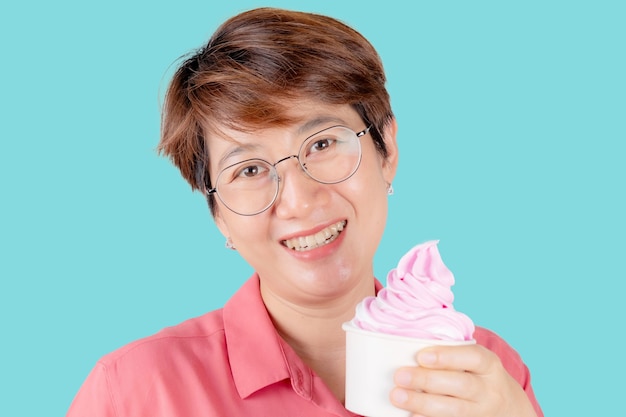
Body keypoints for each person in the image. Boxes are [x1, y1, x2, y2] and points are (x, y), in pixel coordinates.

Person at [67, 7, 543, 417]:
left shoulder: (485, 373)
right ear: (218, 214)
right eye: (249, 170)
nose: (299, 200)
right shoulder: (133, 393)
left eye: (322, 143)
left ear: (387, 149)